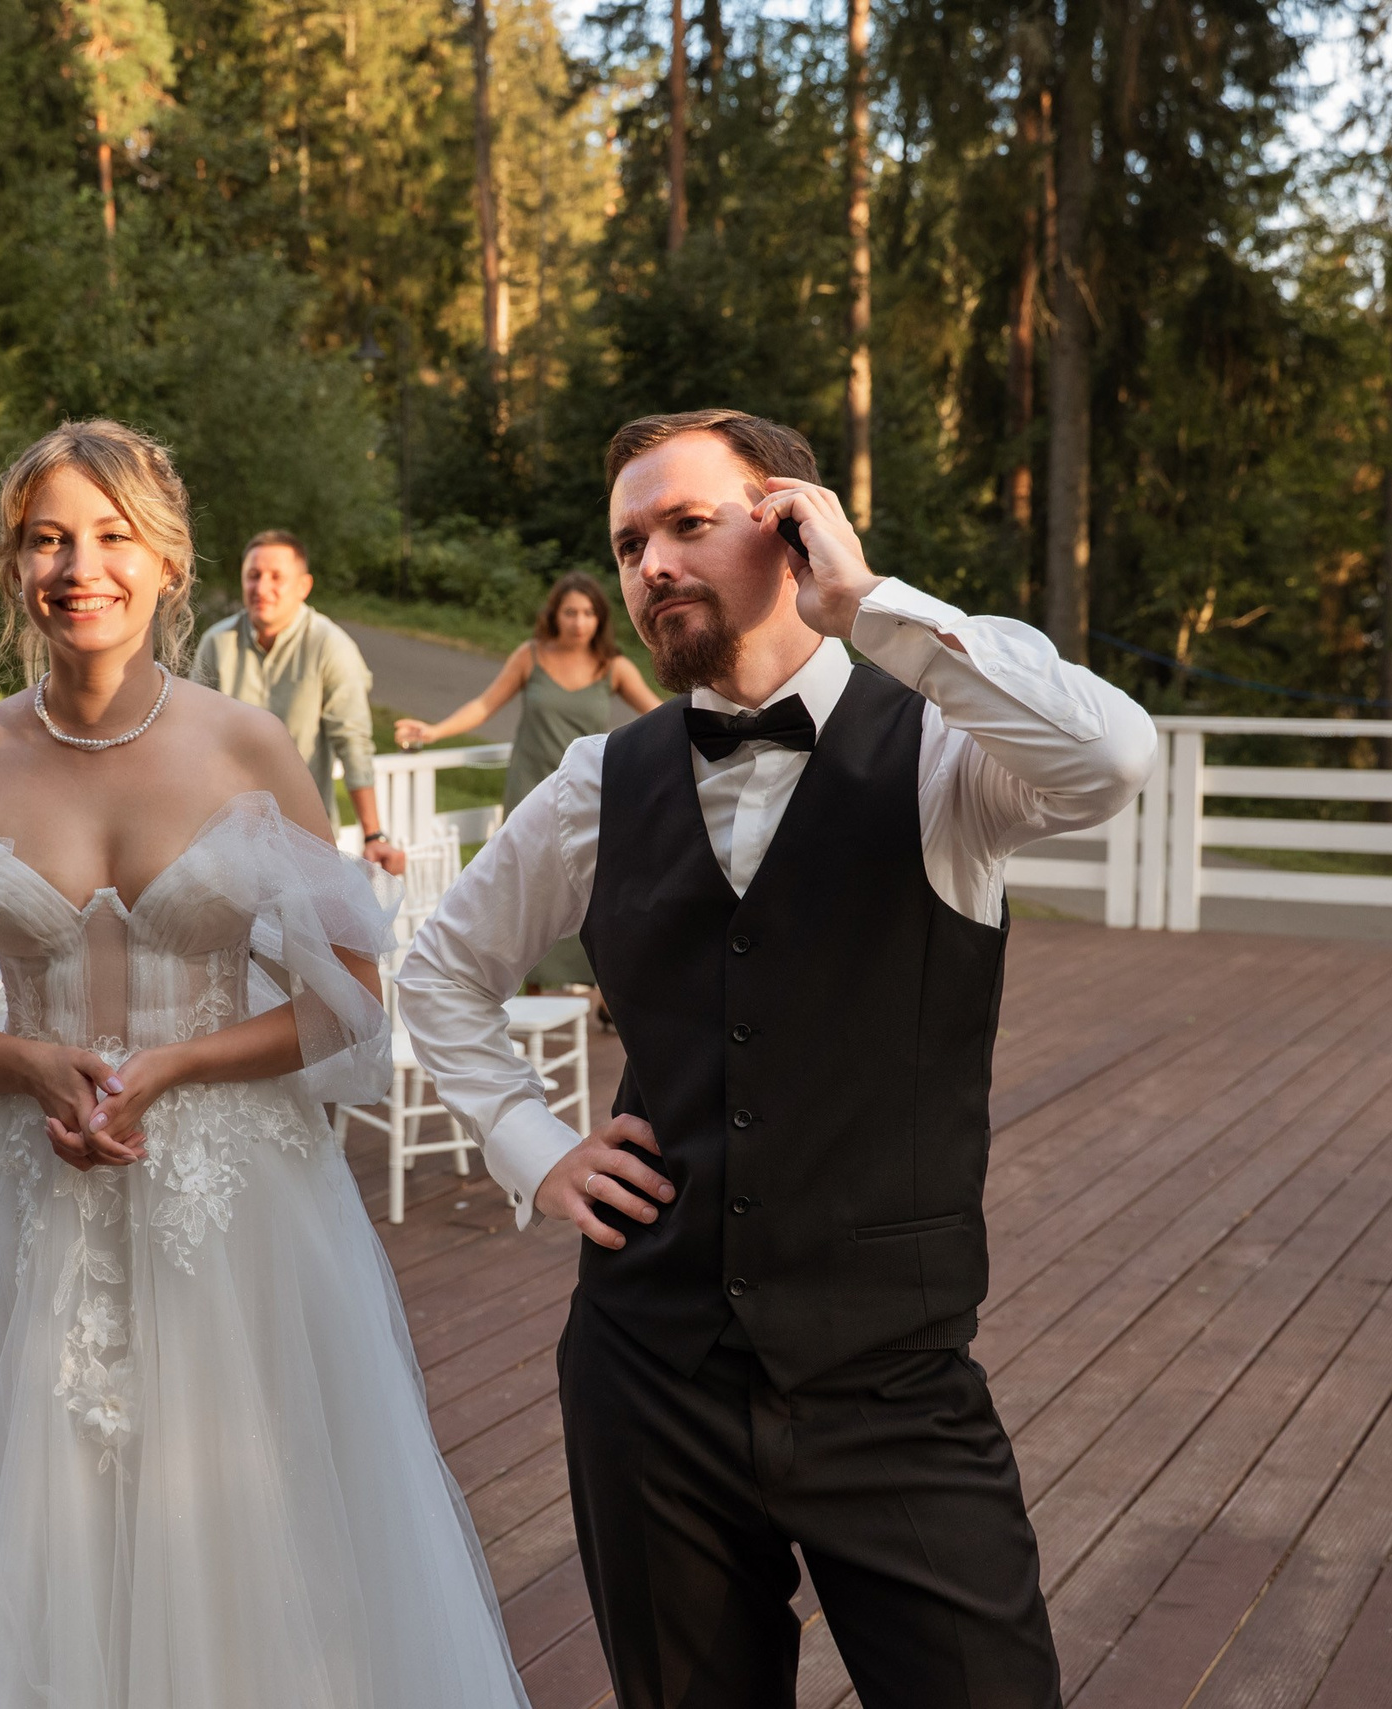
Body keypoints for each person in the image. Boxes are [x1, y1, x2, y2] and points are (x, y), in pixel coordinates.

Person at [397, 409, 1158, 1709]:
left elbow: (1114, 758)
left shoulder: (940, 746)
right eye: (630, 541)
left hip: (890, 1380)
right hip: (648, 1374)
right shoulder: (596, 780)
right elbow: (439, 972)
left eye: (689, 524)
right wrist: (536, 1148)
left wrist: (871, 606)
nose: (650, 566)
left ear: (792, 519)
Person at [0, 420, 529, 1707]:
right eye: (47, 538)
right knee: (22, 1520)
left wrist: (183, 1060)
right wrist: (25, 1062)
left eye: (112, 536)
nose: (82, 566)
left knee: (249, 1533)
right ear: (13, 564)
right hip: (18, 1207)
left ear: (169, 561)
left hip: (233, 1207)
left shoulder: (246, 746)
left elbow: (351, 1004)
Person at [395, 570, 659, 987]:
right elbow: (483, 707)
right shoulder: (530, 656)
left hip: (591, 792)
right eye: (570, 612)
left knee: (596, 890)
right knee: (528, 891)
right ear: (554, 615)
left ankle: (606, 992)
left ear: (600, 618)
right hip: (529, 786)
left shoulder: (614, 667)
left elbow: (659, 716)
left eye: (588, 613)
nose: (578, 621)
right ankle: (530, 986)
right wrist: (433, 731)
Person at [192, 529, 407, 875]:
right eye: (253, 575)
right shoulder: (217, 643)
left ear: (304, 586)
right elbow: (193, 739)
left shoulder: (330, 646)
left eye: (276, 577)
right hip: (226, 840)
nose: (262, 588)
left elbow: (353, 742)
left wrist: (373, 834)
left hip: (305, 840)